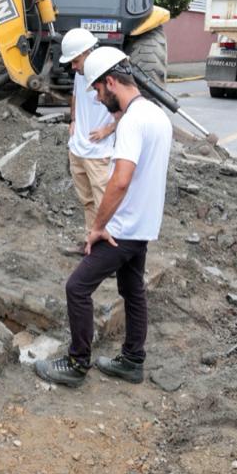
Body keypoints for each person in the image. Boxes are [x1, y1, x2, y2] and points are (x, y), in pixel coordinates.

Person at [35, 47, 172, 388]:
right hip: (142, 225)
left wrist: (97, 227)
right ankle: (132, 360)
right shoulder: (156, 115)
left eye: (97, 90)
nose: (97, 98)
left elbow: (121, 180)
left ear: (111, 82)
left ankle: (76, 363)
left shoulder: (131, 122)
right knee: (132, 289)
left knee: (77, 288)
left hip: (120, 229)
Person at [58, 29, 118, 245]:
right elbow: (75, 96)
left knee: (105, 204)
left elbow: (128, 108)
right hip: (78, 149)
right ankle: (91, 244)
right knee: (88, 202)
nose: (73, 66)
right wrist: (73, 120)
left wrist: (108, 130)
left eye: (75, 61)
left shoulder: (110, 75)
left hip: (99, 153)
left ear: (88, 52)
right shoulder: (80, 74)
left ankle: (108, 253)